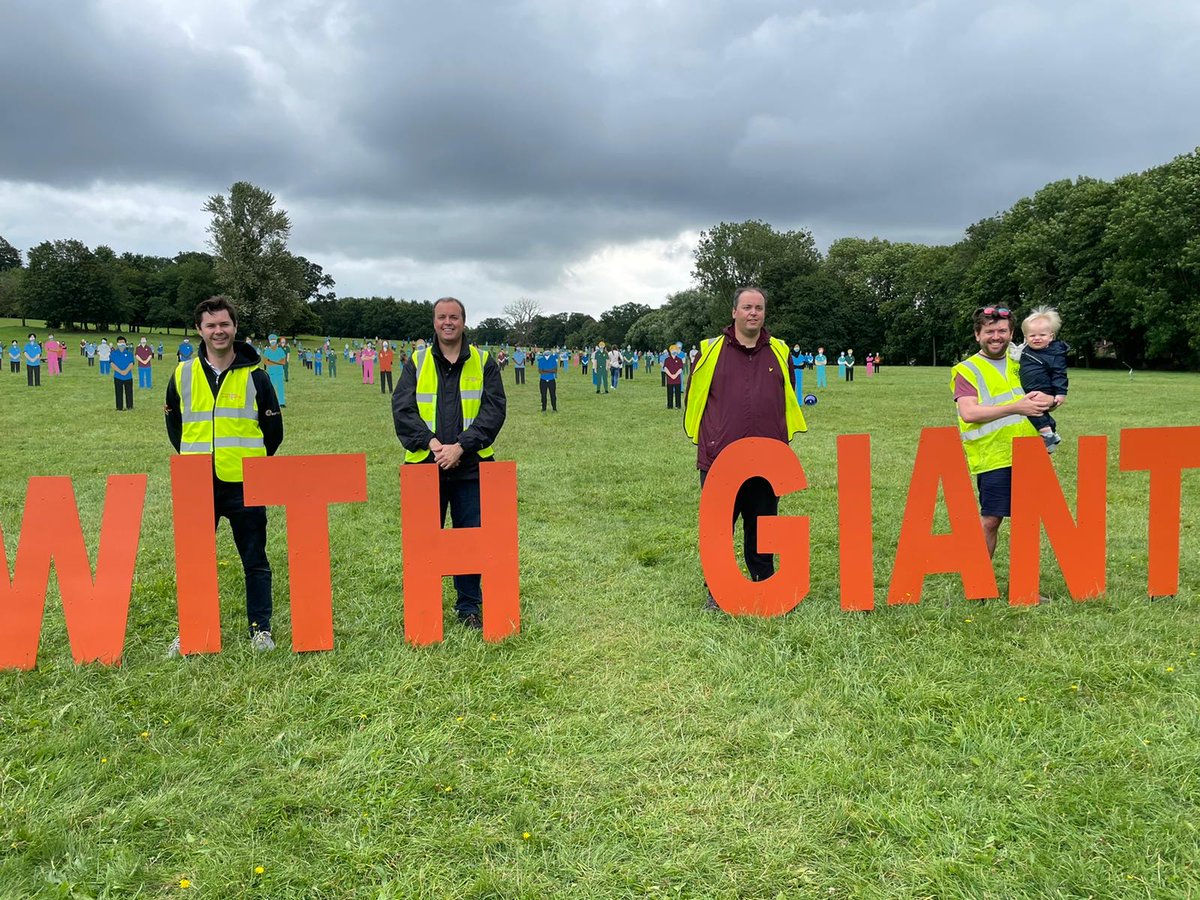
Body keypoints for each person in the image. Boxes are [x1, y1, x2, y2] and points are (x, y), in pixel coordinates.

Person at [165, 295, 283, 655]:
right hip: (197, 482)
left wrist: (252, 462)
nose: (219, 331)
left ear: (235, 327)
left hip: (245, 481)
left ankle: (259, 629)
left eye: (224, 324)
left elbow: (273, 432)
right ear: (200, 330)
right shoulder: (183, 373)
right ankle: (191, 630)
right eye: (211, 325)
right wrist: (193, 458)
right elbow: (175, 425)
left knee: (255, 560)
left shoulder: (257, 376)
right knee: (194, 560)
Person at [684, 287, 807, 610]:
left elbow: (787, 396)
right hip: (719, 456)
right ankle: (717, 589)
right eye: (747, 307)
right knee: (719, 526)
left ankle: (765, 582)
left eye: (759, 308)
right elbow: (694, 397)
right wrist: (710, 439)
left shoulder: (779, 352)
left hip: (768, 457)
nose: (754, 313)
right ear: (734, 312)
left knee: (764, 523)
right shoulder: (709, 352)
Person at [392, 296, 507, 630]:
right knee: (423, 540)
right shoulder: (417, 360)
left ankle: (469, 606)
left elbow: (493, 410)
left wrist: (461, 447)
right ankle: (422, 607)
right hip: (424, 466)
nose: (448, 322)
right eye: (441, 317)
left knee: (470, 538)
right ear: (434, 322)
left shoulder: (484, 361)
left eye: (454, 317)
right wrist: (433, 445)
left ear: (463, 321)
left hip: (471, 467)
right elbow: (403, 410)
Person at [952, 306, 1052, 561]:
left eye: (1002, 331)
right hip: (993, 455)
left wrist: (1050, 399)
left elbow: (1046, 392)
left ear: (1011, 333)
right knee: (991, 519)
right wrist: (1016, 407)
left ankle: (1025, 588)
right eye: (989, 331)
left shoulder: (1024, 361)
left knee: (1029, 519)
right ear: (977, 335)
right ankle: (980, 581)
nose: (996, 336)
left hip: (1029, 452)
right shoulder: (967, 369)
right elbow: (969, 413)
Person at [1011, 306, 1069, 453]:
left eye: (1042, 335)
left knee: (1032, 410)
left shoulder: (1054, 354)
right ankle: (1052, 432)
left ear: (1051, 336)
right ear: (1026, 337)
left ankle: (1047, 433)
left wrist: (1060, 393)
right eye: (1032, 336)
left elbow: (1060, 374)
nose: (1037, 338)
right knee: (1039, 411)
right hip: (1030, 387)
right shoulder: (1027, 350)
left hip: (1043, 388)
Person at [262, 334, 288, 407]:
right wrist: (277, 362)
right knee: (270, 389)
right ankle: (270, 403)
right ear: (269, 341)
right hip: (271, 373)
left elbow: (283, 362)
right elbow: (265, 362)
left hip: (279, 372)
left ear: (276, 340)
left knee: (280, 388)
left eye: (274, 340)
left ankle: (281, 403)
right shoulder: (267, 351)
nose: (272, 341)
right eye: (271, 340)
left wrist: (272, 361)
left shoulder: (280, 350)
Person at [110, 336, 135, 410]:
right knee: (118, 393)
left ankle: (129, 406)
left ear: (125, 343)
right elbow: (112, 364)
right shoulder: (114, 353)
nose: (121, 344)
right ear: (117, 343)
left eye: (123, 342)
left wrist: (126, 371)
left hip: (128, 376)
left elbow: (131, 363)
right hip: (118, 376)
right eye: (120, 343)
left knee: (129, 392)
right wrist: (120, 371)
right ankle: (119, 407)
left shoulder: (129, 353)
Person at [537, 347, 558, 412]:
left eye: (548, 351)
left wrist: (545, 370)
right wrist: (550, 371)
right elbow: (540, 371)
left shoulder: (553, 359)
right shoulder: (541, 360)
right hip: (543, 380)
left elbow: (555, 370)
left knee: (553, 395)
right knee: (543, 395)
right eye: (546, 351)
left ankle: (554, 408)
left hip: (551, 380)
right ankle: (544, 409)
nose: (547, 352)